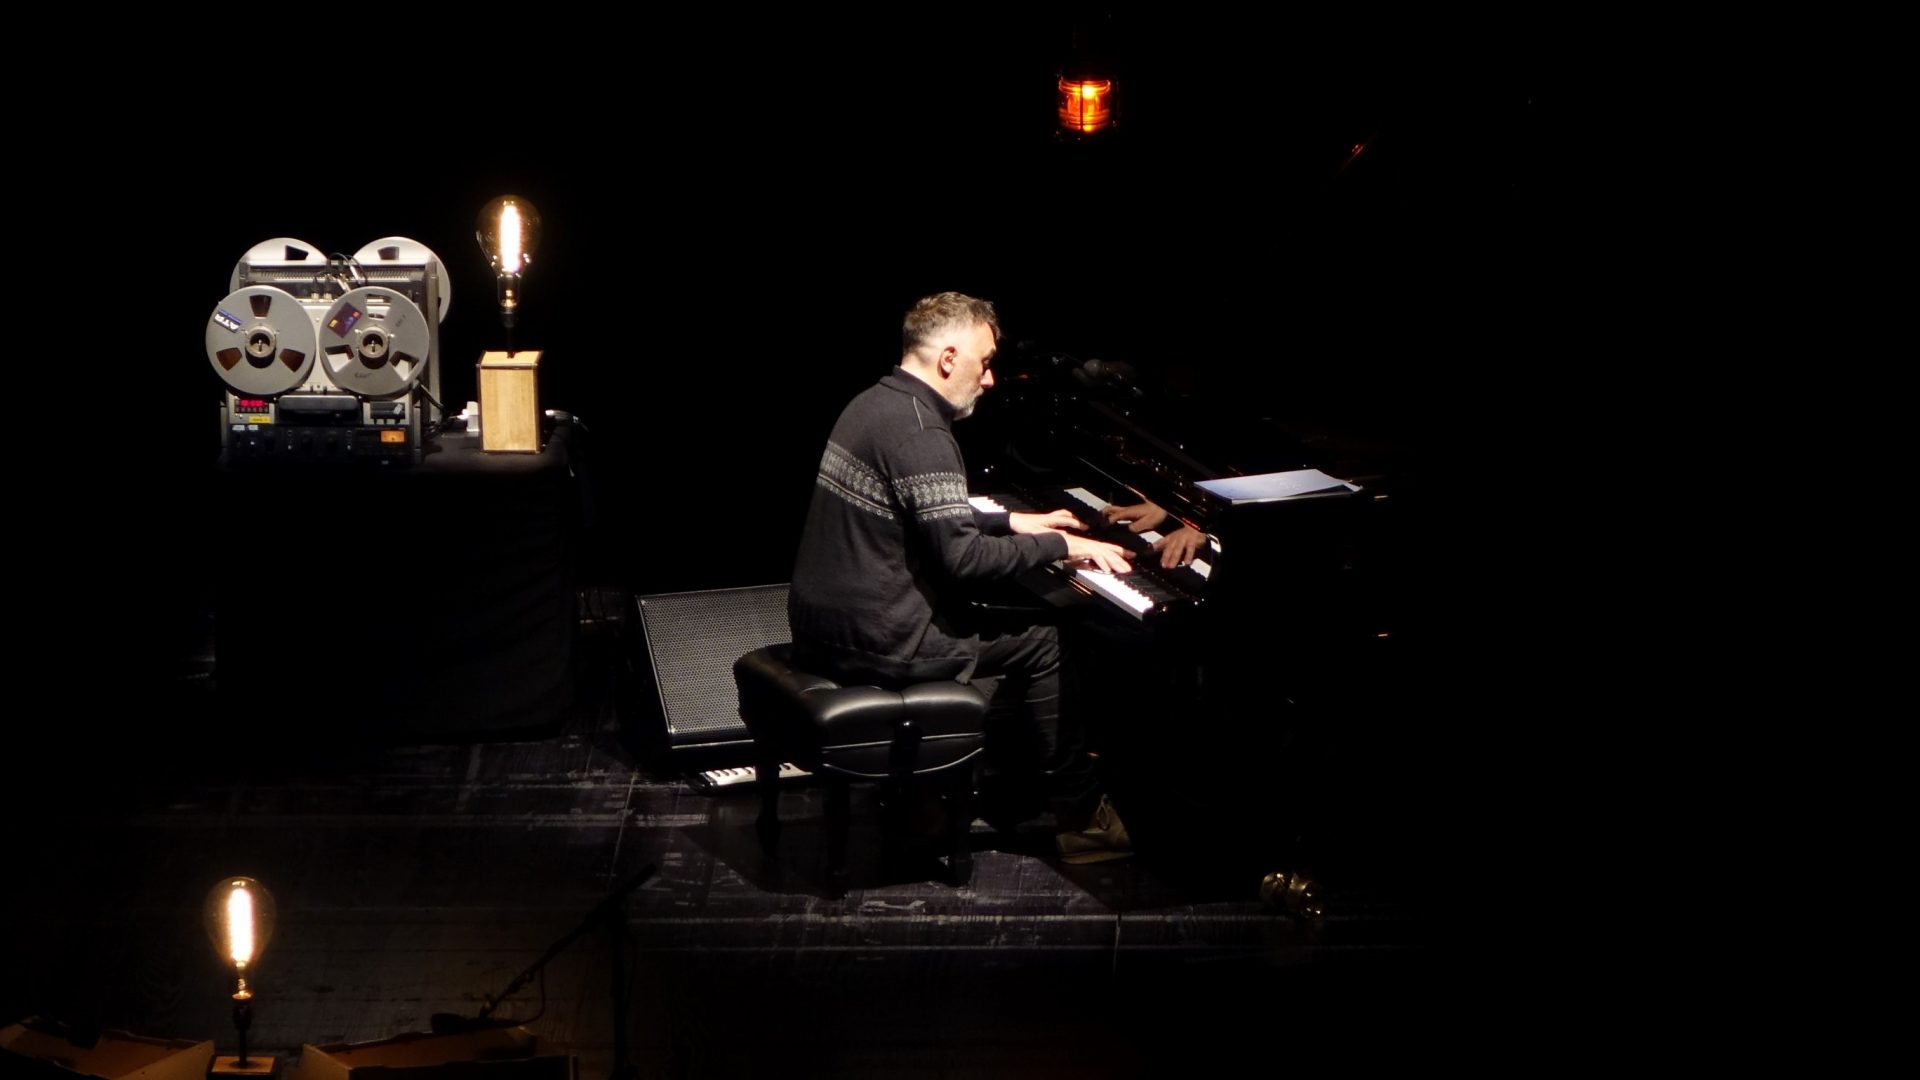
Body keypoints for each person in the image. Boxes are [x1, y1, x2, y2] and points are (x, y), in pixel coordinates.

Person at [788, 292, 1135, 863]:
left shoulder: (873, 404)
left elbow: (921, 506)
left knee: (995, 625)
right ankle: (1080, 816)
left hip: (822, 627)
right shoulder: (924, 432)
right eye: (985, 361)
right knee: (1046, 643)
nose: (991, 379)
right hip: (880, 640)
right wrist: (1061, 543)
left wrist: (1010, 520)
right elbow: (963, 562)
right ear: (949, 358)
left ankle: (952, 782)